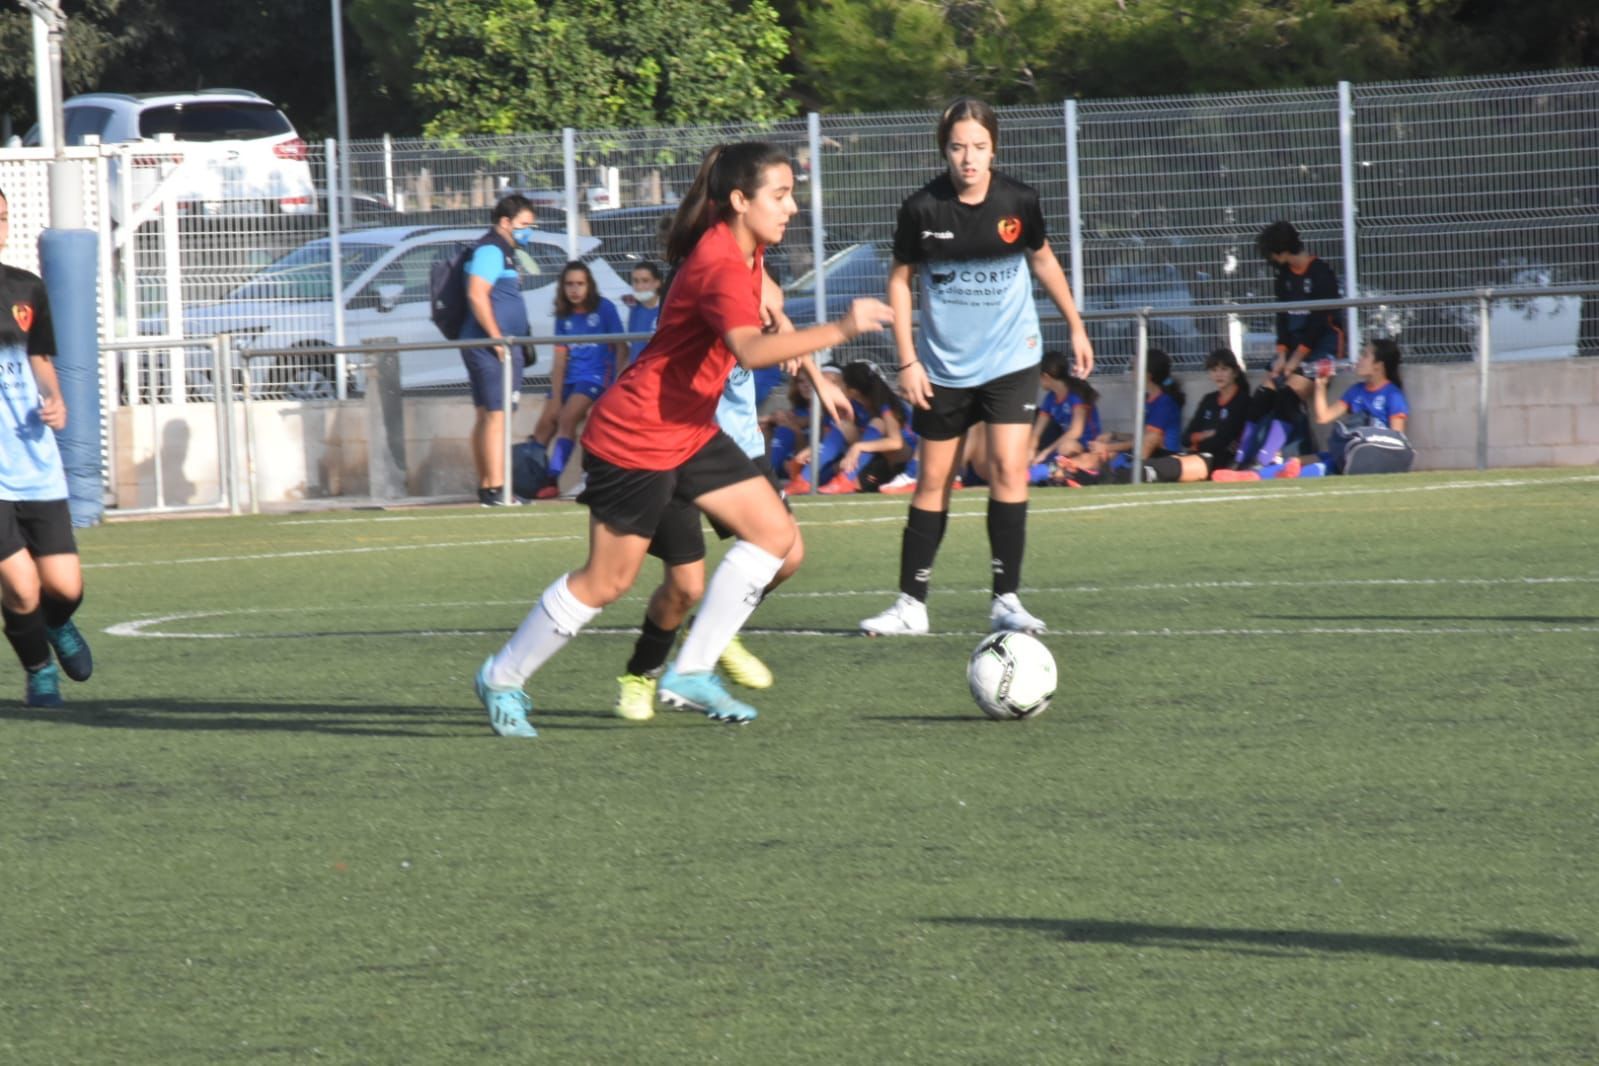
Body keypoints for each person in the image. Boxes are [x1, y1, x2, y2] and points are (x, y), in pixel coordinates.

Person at [472, 141, 890, 737]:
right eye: (780, 195)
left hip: (691, 430)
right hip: (636, 436)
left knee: (777, 538)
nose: (792, 207)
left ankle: (689, 670)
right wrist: (844, 327)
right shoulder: (720, 263)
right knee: (606, 582)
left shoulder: (747, 254)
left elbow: (770, 318)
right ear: (740, 202)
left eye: (791, 194)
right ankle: (502, 677)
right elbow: (748, 348)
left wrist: (819, 375)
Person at [861, 97, 1094, 637]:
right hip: (942, 367)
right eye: (959, 147)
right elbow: (900, 281)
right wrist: (908, 361)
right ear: (944, 149)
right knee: (933, 480)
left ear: (995, 148)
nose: (969, 158)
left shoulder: (1019, 200)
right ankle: (910, 605)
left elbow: (1042, 258)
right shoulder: (921, 209)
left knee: (1010, 470)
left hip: (1013, 357)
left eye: (980, 147)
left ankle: (1006, 599)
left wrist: (1076, 324)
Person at [0, 188, 93, 706]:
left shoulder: (25, 289)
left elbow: (40, 363)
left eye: (4, 218)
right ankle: (39, 671)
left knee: (65, 589)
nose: (0, 227)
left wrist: (55, 398)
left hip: (35, 461)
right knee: (21, 586)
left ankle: (56, 627)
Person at [460, 194, 538, 506]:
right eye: (523, 225)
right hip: (492, 347)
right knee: (498, 416)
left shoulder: (502, 250)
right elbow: (478, 294)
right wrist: (496, 338)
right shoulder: (492, 249)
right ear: (505, 223)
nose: (527, 231)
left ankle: (490, 487)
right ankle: (497, 488)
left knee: (487, 415)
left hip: (493, 344)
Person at [529, 261, 629, 499]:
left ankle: (551, 479)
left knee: (567, 418)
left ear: (589, 285)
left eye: (580, 284)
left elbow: (622, 349)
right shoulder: (564, 316)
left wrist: (614, 386)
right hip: (571, 378)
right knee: (545, 422)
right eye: (569, 284)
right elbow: (560, 359)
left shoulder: (604, 309)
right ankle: (530, 475)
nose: (574, 290)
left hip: (595, 377)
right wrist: (554, 396)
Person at [817, 361, 917, 494]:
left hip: (903, 460)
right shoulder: (856, 404)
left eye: (838, 383)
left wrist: (858, 447)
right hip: (879, 458)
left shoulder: (885, 404)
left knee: (877, 423)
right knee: (844, 428)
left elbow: (896, 442)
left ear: (852, 391)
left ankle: (846, 479)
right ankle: (809, 479)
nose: (834, 388)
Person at [1028, 349, 1100, 485]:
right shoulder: (1050, 399)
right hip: (1062, 447)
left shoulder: (1075, 395)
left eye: (1038, 377)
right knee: (1030, 452)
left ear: (1046, 377)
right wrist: (1030, 451)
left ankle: (1076, 472)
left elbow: (1076, 431)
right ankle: (1051, 473)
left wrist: (1046, 451)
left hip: (1086, 446)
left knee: (1065, 447)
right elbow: (1036, 433)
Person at [623, 261, 663, 363]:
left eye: (645, 281)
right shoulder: (634, 311)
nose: (639, 287)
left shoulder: (665, 309)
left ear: (657, 283)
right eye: (636, 281)